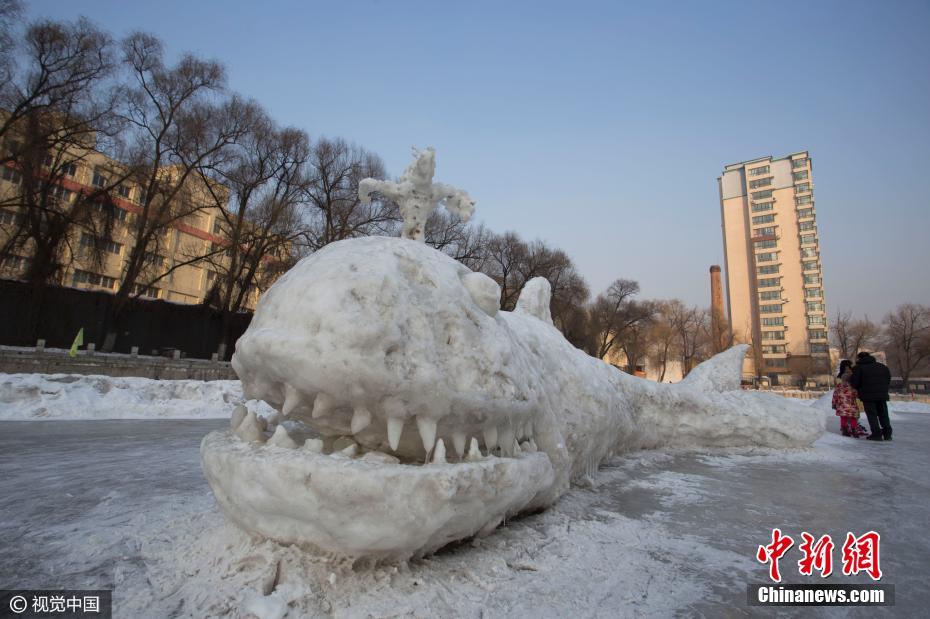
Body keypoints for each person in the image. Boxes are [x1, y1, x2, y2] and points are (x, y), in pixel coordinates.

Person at [849, 351, 893, 442]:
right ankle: (887, 433)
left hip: (868, 396)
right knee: (884, 414)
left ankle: (876, 434)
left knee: (872, 415)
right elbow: (888, 379)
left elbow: (855, 383)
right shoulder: (882, 367)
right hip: (882, 395)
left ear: (859, 358)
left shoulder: (859, 368)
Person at [832, 360, 863, 437]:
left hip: (842, 406)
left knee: (843, 418)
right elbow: (856, 395)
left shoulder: (838, 387)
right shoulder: (852, 387)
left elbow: (835, 395)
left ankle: (845, 430)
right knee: (853, 418)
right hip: (852, 406)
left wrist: (834, 404)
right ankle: (854, 430)